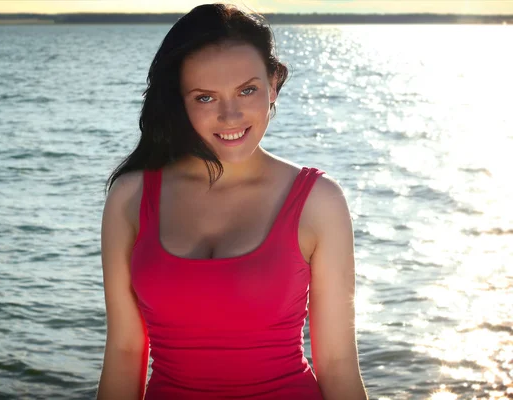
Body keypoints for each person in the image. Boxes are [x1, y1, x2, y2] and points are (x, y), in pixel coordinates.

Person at [97, 3, 367, 400]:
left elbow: (338, 364)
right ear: (179, 100)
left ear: (273, 84)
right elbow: (124, 350)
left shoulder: (318, 201)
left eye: (247, 90)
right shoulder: (131, 197)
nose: (230, 115)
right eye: (205, 98)